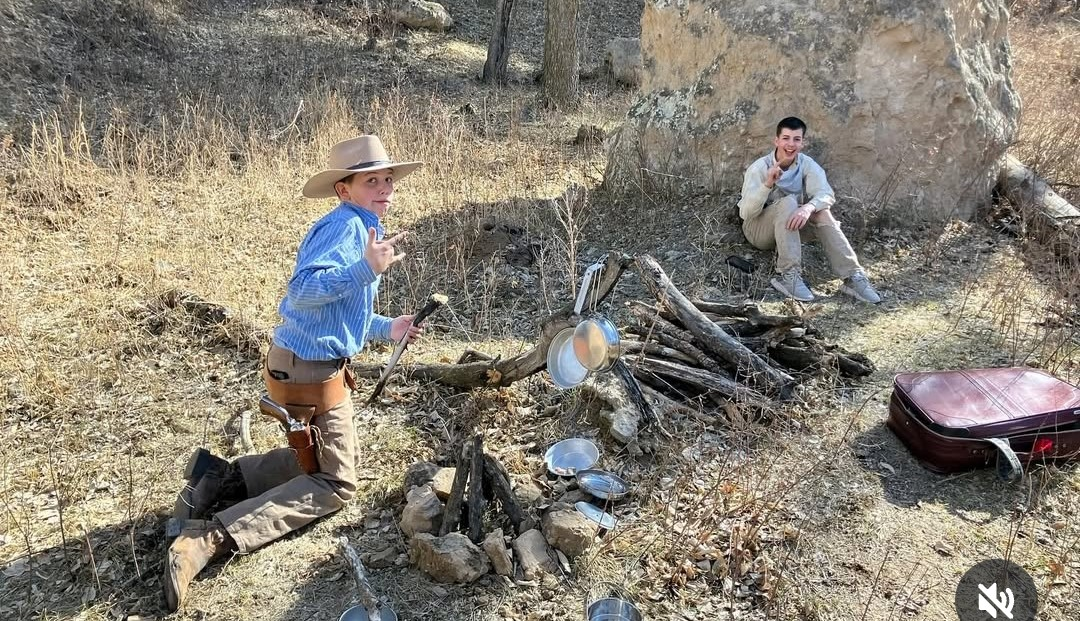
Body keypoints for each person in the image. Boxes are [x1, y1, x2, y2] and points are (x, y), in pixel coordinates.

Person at [164, 135, 424, 612]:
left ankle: (219, 477)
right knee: (337, 484)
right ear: (344, 189)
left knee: (322, 462)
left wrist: (390, 327)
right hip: (310, 371)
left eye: (388, 178)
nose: (385, 187)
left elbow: (336, 313)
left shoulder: (362, 225)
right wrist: (365, 269)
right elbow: (302, 292)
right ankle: (210, 539)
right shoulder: (346, 228)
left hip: (305, 364)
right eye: (372, 180)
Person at [737, 117, 881, 304]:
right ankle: (788, 275)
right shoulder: (759, 168)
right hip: (758, 230)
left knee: (822, 211)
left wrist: (808, 207)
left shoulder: (806, 164)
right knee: (788, 202)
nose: (790, 144)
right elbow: (746, 214)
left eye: (796, 139)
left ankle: (853, 276)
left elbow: (826, 194)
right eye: (786, 138)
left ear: (802, 143)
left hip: (788, 228)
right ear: (777, 141)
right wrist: (767, 184)